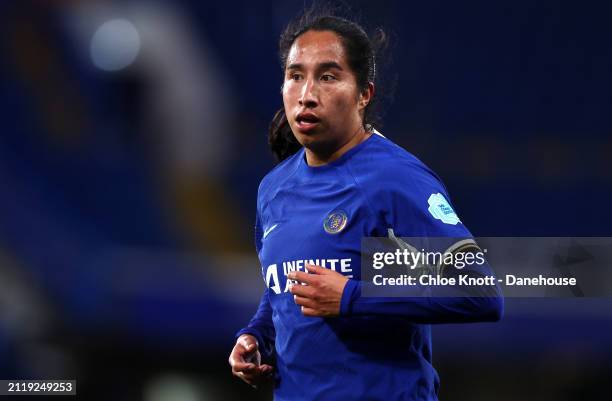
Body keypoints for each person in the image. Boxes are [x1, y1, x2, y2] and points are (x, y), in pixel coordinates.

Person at [228, 10, 503, 401]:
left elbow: (479, 292)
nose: (307, 94)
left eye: (328, 76)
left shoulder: (394, 180)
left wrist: (352, 297)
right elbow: (283, 292)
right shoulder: (274, 188)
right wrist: (256, 336)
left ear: (363, 94)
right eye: (295, 75)